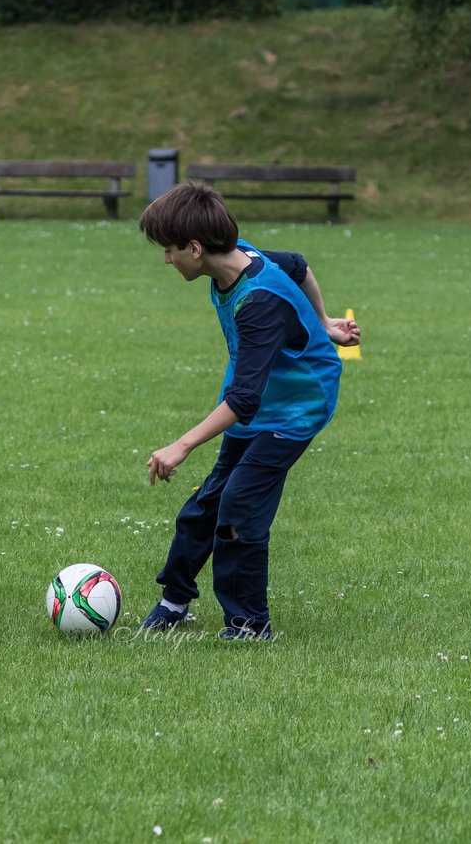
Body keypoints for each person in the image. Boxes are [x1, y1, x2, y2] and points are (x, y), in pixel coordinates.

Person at [137, 182, 360, 640]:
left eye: (169, 250)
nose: (166, 259)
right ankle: (173, 601)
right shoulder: (238, 255)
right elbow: (298, 263)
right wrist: (324, 324)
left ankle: (249, 624)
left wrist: (180, 445)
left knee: (238, 508)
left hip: (297, 408)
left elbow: (243, 401)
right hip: (257, 396)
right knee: (206, 505)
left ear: (196, 248)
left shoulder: (259, 303)